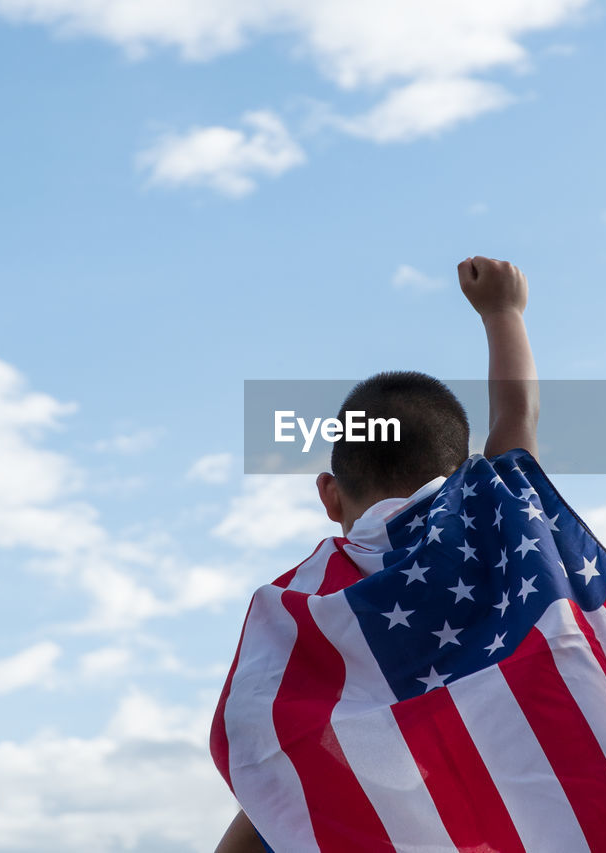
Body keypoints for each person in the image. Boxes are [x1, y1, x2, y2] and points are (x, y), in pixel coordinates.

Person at [213, 255, 538, 853]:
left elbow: (276, 778)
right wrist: (502, 312)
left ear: (328, 494)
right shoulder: (491, 529)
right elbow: (515, 417)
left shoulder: (308, 608)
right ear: (468, 473)